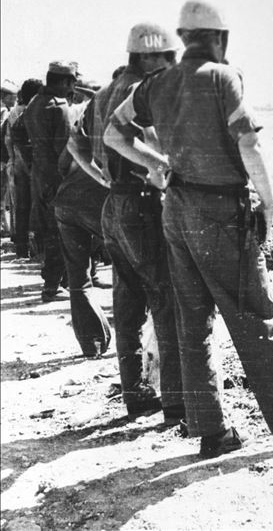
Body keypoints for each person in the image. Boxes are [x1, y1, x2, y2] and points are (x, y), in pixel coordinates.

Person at [105, 0, 273, 458]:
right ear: (219, 38)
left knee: (193, 322)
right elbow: (249, 144)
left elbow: (113, 133)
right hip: (220, 211)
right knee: (256, 317)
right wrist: (269, 203)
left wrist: (157, 165)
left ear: (185, 38)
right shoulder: (223, 77)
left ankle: (212, 432)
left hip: (176, 210)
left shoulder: (156, 83)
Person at [74, 22, 186, 420]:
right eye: (168, 57)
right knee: (165, 301)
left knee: (127, 307)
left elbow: (75, 143)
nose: (173, 64)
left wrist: (103, 177)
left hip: (114, 205)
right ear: (148, 56)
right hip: (142, 205)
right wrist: (161, 166)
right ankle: (176, 401)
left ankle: (136, 393)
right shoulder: (143, 91)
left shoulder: (103, 93)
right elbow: (149, 144)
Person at [22, 62, 77, 301]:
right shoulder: (59, 107)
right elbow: (64, 149)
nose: (73, 88)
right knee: (61, 230)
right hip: (57, 176)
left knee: (49, 229)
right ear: (64, 82)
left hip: (39, 174)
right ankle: (53, 285)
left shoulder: (34, 102)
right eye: (72, 83)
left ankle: (56, 282)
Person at [53, 133, 111, 358]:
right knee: (132, 271)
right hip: (100, 203)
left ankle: (91, 344)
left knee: (78, 277)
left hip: (66, 200)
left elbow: (63, 163)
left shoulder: (87, 125)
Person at [5, 79, 43, 258]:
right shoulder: (34, 110)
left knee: (21, 207)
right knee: (37, 206)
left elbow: (8, 139)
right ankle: (37, 249)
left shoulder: (14, 111)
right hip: (33, 165)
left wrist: (12, 159)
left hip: (18, 163)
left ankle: (22, 248)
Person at [0, 80, 17, 237]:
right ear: (3, 97)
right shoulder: (4, 112)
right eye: (11, 97)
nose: (14, 100)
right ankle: (4, 227)